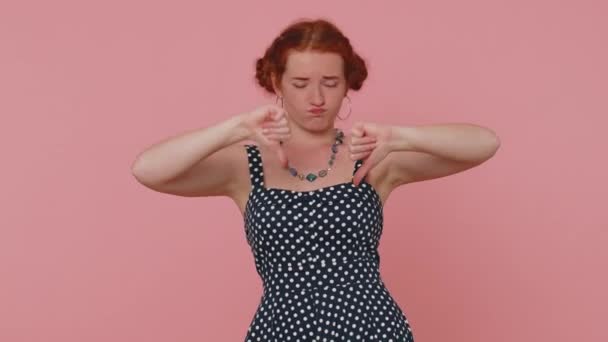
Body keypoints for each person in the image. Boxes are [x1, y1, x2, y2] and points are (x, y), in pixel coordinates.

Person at [131, 18, 500, 342]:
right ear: (277, 82)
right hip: (281, 331)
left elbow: (485, 143)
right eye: (301, 82)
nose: (317, 97)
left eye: (330, 82)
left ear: (347, 85)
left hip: (372, 330)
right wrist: (235, 128)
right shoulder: (245, 165)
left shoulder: (372, 155)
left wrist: (402, 137)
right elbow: (148, 168)